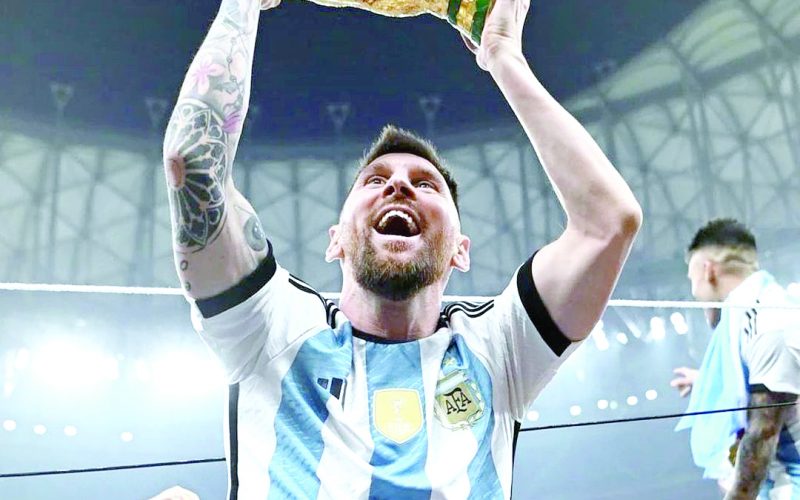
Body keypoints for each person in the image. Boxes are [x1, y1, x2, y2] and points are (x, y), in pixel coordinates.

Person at [159, 0, 642, 497]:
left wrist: (503, 57)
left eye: (427, 185)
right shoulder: (271, 328)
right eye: (375, 179)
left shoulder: (497, 349)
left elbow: (609, 223)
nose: (400, 186)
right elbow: (193, 162)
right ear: (336, 241)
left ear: (460, 250)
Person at [672, 219, 800, 500]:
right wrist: (706, 381)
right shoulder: (752, 314)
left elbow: (763, 432)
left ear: (709, 271)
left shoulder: (768, 320)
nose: (694, 293)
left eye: (692, 279)